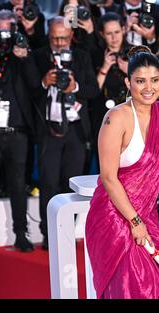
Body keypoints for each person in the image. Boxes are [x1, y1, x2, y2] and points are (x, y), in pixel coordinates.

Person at [85, 46, 159, 299]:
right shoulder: (116, 118)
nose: (149, 87)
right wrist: (135, 222)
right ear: (128, 82)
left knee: (148, 288)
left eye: (154, 80)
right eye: (140, 81)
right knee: (133, 290)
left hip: (147, 218)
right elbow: (109, 178)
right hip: (115, 219)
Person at [32, 16, 100, 249]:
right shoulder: (39, 55)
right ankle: (49, 234)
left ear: (71, 35)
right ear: (48, 36)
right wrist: (43, 82)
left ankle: (67, 232)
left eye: (63, 37)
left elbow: (93, 89)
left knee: (71, 183)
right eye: (54, 38)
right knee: (48, 183)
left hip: (75, 130)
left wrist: (75, 87)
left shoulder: (82, 56)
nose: (59, 43)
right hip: (49, 128)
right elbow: (28, 89)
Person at [0, 9, 40, 252]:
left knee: (17, 184)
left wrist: (23, 57)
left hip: (18, 131)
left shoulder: (25, 53)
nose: (7, 35)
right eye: (2, 29)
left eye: (11, 28)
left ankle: (20, 233)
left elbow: (36, 85)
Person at [90, 12, 132, 171]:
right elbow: (93, 92)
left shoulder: (134, 53)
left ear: (123, 30)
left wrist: (129, 70)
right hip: (103, 117)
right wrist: (105, 68)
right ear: (102, 34)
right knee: (107, 168)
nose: (114, 37)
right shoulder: (95, 55)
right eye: (109, 33)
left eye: (117, 32)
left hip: (130, 118)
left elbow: (146, 89)